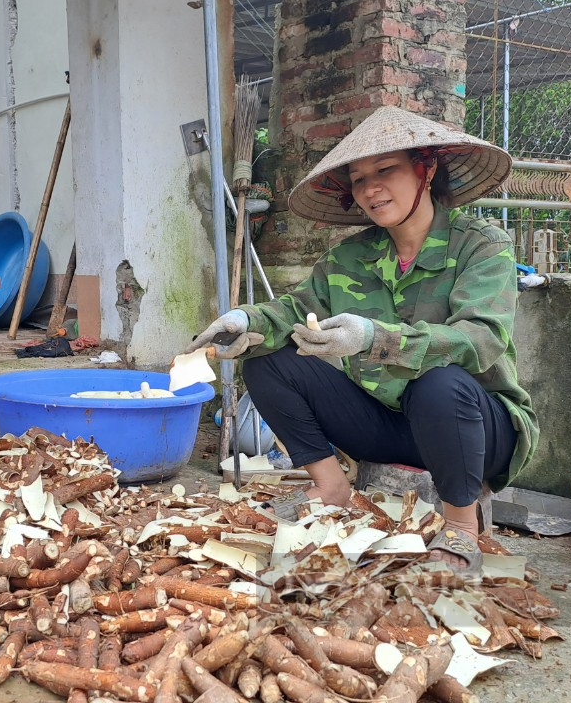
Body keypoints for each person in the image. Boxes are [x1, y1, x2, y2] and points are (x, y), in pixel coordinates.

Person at [188, 106, 538, 577]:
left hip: (473, 426)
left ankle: (461, 523)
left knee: (439, 383)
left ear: (425, 169)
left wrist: (376, 339)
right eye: (358, 179)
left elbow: (481, 339)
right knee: (268, 363)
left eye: (385, 170)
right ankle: (330, 486)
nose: (371, 189)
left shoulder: (480, 246)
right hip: (388, 424)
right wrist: (243, 321)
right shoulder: (350, 256)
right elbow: (295, 311)